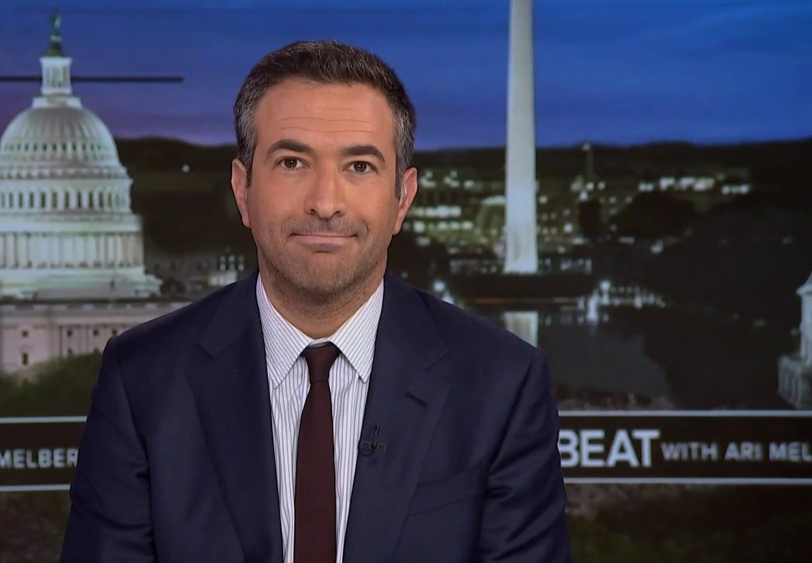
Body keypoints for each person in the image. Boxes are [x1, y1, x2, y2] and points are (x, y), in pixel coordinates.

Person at [60, 40, 571, 562]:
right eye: (292, 162)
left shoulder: (502, 384)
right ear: (242, 189)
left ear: (403, 198)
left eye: (359, 167)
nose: (325, 203)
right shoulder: (142, 381)